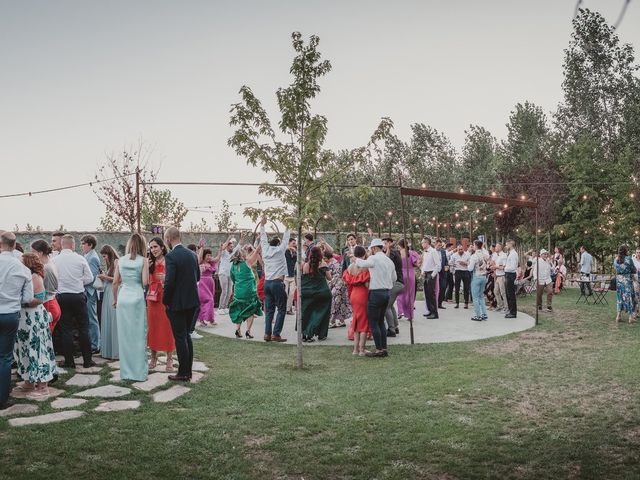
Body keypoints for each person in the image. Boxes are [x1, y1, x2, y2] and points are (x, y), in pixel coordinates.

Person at [12, 253, 56, 400]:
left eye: (21, 261)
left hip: (34, 318)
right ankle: (28, 381)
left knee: (37, 349)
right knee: (24, 349)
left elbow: (39, 299)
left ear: (28, 263)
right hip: (23, 318)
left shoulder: (35, 277)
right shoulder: (24, 276)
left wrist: (20, 302)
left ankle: (43, 387)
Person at [0, 232, 33, 410]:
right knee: (5, 357)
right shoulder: (23, 269)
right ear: (14, 245)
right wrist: (12, 299)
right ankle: (2, 399)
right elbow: (28, 297)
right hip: (10, 314)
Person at [163, 226, 200, 382]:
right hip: (192, 301)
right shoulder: (192, 254)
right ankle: (188, 371)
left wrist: (165, 300)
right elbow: (197, 277)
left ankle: (183, 373)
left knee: (180, 337)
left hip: (177, 304)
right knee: (186, 336)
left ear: (169, 239)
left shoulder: (171, 256)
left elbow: (169, 282)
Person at [53, 234, 95, 369]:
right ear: (73, 245)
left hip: (62, 296)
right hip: (78, 295)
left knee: (66, 330)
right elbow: (89, 278)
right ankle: (87, 361)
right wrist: (77, 281)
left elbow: (53, 279)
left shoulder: (55, 260)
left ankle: (69, 361)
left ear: (62, 244)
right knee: (84, 328)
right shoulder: (80, 259)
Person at [113, 233, 149, 381]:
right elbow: (145, 282)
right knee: (139, 336)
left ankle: (126, 373)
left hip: (123, 298)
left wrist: (115, 300)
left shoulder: (120, 260)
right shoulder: (144, 261)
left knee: (125, 336)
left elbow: (115, 282)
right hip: (136, 298)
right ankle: (139, 373)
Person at [354, 238, 396, 357]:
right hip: (387, 293)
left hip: (376, 293)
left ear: (373, 248)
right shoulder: (389, 261)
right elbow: (394, 278)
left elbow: (360, 263)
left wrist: (354, 256)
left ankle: (379, 349)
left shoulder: (373, 258)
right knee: (381, 321)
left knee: (374, 322)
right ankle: (384, 348)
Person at [147, 237, 176, 371]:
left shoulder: (169, 260)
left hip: (166, 298)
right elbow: (145, 281)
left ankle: (169, 358)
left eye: (155, 247)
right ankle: (153, 357)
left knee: (167, 327)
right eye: (151, 247)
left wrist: (166, 278)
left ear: (162, 247)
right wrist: (146, 269)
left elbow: (176, 278)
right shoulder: (149, 262)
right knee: (153, 327)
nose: (153, 250)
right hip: (153, 298)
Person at [260, 217, 290, 342]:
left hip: (267, 283)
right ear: (278, 244)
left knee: (270, 310)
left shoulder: (265, 250)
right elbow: (286, 238)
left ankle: (267, 334)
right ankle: (276, 334)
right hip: (277, 283)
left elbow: (263, 239)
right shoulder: (280, 250)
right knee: (282, 308)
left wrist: (262, 226)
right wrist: (287, 226)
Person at [229, 245, 263, 338]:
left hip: (238, 291)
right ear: (243, 255)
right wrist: (257, 245)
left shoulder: (233, 265)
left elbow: (232, 278)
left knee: (239, 310)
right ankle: (248, 331)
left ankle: (237, 330)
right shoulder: (247, 262)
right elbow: (256, 252)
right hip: (249, 290)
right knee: (250, 310)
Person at [343, 245, 371, 356]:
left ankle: (355, 349)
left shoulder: (350, 267)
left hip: (353, 294)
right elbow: (367, 284)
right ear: (364, 254)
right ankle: (362, 349)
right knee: (364, 322)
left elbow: (347, 283)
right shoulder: (365, 267)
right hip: (362, 294)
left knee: (356, 320)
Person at [301, 246, 332, 342]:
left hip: (309, 293)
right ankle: (321, 334)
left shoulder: (306, 265)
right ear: (320, 254)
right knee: (322, 314)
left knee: (308, 313)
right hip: (323, 293)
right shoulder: (323, 263)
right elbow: (329, 278)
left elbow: (305, 279)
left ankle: (306, 334)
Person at [30, 240, 60, 332]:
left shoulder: (44, 268)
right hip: (53, 303)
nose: (31, 254)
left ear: (40, 253)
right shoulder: (50, 264)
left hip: (47, 305)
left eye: (33, 252)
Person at [80, 234, 101, 353]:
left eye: (83, 243)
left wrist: (78, 282)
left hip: (90, 292)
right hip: (85, 291)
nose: (81, 246)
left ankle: (95, 345)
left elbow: (92, 278)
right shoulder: (87, 255)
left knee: (92, 318)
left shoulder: (92, 257)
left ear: (90, 245)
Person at [98, 245, 119, 360]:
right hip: (107, 292)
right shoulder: (110, 264)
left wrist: (105, 277)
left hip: (113, 292)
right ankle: (108, 350)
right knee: (107, 319)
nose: (104, 258)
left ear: (109, 254)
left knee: (113, 319)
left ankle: (115, 350)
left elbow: (119, 279)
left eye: (105, 256)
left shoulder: (116, 262)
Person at [382, 236, 403, 336]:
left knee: (386, 306)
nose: (383, 246)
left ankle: (391, 330)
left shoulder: (393, 253)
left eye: (385, 243)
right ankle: (395, 327)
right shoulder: (394, 252)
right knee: (391, 306)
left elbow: (386, 262)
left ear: (390, 243)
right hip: (399, 283)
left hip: (396, 283)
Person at [215, 236, 241, 315]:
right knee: (225, 291)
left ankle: (225, 307)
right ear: (227, 247)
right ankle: (220, 308)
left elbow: (239, 244)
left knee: (230, 291)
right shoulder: (224, 252)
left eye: (232, 246)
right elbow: (222, 248)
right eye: (230, 246)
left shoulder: (233, 253)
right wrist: (228, 238)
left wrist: (242, 237)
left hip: (230, 274)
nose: (232, 247)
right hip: (223, 273)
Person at [327, 249, 351, 329]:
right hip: (341, 285)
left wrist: (330, 285)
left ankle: (332, 321)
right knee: (340, 304)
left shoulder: (333, 263)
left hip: (338, 285)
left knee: (335, 303)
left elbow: (335, 276)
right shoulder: (336, 262)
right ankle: (341, 321)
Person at [396, 239, 419, 319]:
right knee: (410, 294)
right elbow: (416, 264)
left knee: (399, 293)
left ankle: (400, 312)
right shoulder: (413, 253)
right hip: (411, 274)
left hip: (401, 274)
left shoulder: (398, 253)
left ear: (400, 245)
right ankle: (410, 315)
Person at [614, 245, 636, 324]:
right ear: (626, 251)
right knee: (629, 297)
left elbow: (616, 270)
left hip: (619, 281)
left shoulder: (615, 259)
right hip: (627, 281)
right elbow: (633, 269)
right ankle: (630, 317)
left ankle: (618, 316)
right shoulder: (628, 259)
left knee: (620, 298)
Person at [469, 240, 490, 321]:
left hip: (476, 277)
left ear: (476, 246)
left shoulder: (474, 256)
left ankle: (478, 315)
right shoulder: (485, 254)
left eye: (473, 245)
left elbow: (470, 268)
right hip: (484, 277)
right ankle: (484, 314)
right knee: (481, 296)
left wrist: (468, 264)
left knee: (475, 298)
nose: (473, 246)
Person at [421, 237, 441, 319]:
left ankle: (435, 313)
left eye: (423, 242)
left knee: (431, 294)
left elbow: (438, 265)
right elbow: (424, 264)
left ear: (427, 243)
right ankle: (430, 311)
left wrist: (432, 275)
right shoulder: (425, 252)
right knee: (427, 294)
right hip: (426, 274)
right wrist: (422, 271)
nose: (422, 244)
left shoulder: (433, 251)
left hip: (431, 274)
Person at [186, 243, 203, 340]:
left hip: (192, 286)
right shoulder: (193, 257)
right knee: (196, 308)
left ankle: (190, 330)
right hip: (192, 287)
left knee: (195, 308)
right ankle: (190, 330)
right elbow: (199, 259)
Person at [197, 247, 216, 326]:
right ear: (204, 255)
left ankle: (202, 320)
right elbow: (199, 257)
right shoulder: (200, 263)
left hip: (210, 284)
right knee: (209, 300)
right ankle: (211, 319)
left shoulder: (211, 263)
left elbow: (218, 258)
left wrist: (221, 250)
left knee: (208, 300)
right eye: (208, 255)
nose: (209, 257)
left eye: (210, 255)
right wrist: (201, 248)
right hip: (202, 284)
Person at [450, 244, 471, 309]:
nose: (460, 250)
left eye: (461, 249)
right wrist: (453, 266)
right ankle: (457, 303)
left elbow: (470, 263)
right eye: (459, 249)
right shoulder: (454, 255)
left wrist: (465, 263)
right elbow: (450, 263)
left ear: (463, 249)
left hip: (465, 271)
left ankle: (466, 303)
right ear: (457, 249)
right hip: (458, 271)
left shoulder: (467, 255)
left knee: (466, 288)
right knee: (457, 288)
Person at [504, 240, 519, 318]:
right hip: (508, 274)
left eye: (507, 244)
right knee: (507, 294)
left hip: (510, 274)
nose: (506, 246)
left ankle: (513, 312)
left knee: (511, 294)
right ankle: (510, 310)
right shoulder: (510, 253)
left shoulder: (513, 254)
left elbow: (513, 267)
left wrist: (505, 268)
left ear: (510, 244)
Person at [492, 243, 507, 312]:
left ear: (501, 247)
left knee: (503, 292)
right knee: (496, 291)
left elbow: (504, 267)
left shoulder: (503, 255)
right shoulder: (496, 255)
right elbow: (494, 264)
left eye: (497, 246)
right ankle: (499, 306)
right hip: (497, 276)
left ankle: (506, 307)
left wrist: (496, 267)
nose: (495, 247)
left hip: (502, 276)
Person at [284, 237, 297, 315]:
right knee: (284, 293)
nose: (294, 245)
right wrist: (289, 248)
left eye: (295, 243)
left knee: (291, 293)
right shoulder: (285, 250)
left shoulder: (295, 252)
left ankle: (288, 309)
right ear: (289, 243)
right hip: (285, 275)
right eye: (293, 243)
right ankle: (283, 308)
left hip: (292, 275)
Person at [435, 239, 448, 309]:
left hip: (443, 273)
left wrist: (447, 266)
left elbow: (446, 261)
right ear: (435, 244)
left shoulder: (443, 252)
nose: (440, 247)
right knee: (435, 289)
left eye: (441, 245)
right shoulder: (433, 252)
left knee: (443, 287)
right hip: (435, 272)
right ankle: (435, 303)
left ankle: (440, 303)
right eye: (438, 245)